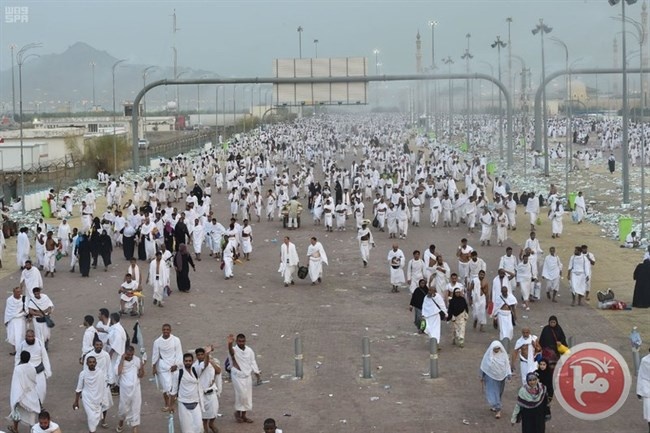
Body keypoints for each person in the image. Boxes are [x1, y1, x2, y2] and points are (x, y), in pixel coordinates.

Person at [227, 333, 261, 424]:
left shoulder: (249, 351)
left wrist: (257, 373)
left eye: (243, 341)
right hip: (237, 376)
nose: (241, 343)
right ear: (237, 341)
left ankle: (244, 415)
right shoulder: (234, 349)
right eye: (239, 341)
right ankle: (237, 413)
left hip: (247, 376)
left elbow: (253, 361)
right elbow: (231, 352)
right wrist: (229, 344)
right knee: (241, 395)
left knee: (247, 396)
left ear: (245, 341)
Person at [152, 323, 183, 412]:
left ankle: (172, 404)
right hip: (163, 367)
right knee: (166, 387)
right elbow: (155, 355)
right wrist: (154, 367)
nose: (166, 331)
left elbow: (179, 353)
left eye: (167, 330)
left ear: (170, 330)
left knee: (174, 387)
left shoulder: (176, 340)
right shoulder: (157, 342)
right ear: (162, 330)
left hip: (174, 365)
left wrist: (176, 365)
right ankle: (167, 404)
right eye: (164, 330)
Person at [74, 356, 109, 433]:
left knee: (94, 420)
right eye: (90, 362)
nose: (92, 364)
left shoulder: (100, 373)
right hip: (87, 399)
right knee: (91, 418)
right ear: (86, 363)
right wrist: (76, 401)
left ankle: (92, 430)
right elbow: (79, 388)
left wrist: (103, 399)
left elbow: (103, 387)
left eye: (93, 362)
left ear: (96, 363)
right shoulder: (83, 374)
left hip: (98, 400)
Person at [8, 351, 41, 433]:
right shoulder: (32, 368)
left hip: (20, 395)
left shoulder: (17, 369)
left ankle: (15, 427)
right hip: (31, 395)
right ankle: (32, 430)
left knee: (16, 411)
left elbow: (15, 383)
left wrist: (15, 396)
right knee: (32, 414)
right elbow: (33, 381)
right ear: (29, 358)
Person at [480, 341, 511, 419]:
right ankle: (498, 409)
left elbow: (507, 366)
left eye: (498, 348)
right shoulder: (488, 356)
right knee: (493, 392)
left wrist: (508, 374)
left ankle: (496, 405)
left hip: (501, 378)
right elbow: (484, 366)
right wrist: (482, 376)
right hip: (490, 377)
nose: (496, 350)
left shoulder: (503, 356)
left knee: (499, 393)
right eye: (495, 349)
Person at [172, 352, 203, 433]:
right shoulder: (178, 373)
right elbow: (173, 391)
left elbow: (205, 365)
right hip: (183, 404)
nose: (188, 362)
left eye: (189, 361)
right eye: (186, 361)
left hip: (196, 403)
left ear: (192, 361)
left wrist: (206, 354)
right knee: (187, 430)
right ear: (183, 361)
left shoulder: (195, 371)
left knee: (199, 427)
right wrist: (171, 405)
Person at [194, 346, 222, 433]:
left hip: (212, 392)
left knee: (214, 412)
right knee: (203, 417)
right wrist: (207, 354)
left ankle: (211, 424)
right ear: (196, 356)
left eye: (202, 354)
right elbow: (204, 365)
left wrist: (211, 361)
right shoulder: (195, 366)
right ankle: (205, 429)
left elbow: (218, 371)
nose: (200, 356)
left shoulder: (210, 363)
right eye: (198, 355)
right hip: (202, 394)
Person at [5, 286, 27, 356]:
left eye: (20, 292)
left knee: (20, 335)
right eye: (17, 292)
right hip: (12, 320)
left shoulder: (24, 298)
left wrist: (22, 313)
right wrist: (7, 320)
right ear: (13, 292)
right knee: (12, 336)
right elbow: (8, 311)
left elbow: (26, 310)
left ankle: (20, 350)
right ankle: (15, 350)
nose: (19, 293)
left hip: (21, 320)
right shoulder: (9, 300)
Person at [637, 348, 650, 432]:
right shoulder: (645, 361)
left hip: (647, 390)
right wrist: (639, 391)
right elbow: (641, 375)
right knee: (649, 414)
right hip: (647, 390)